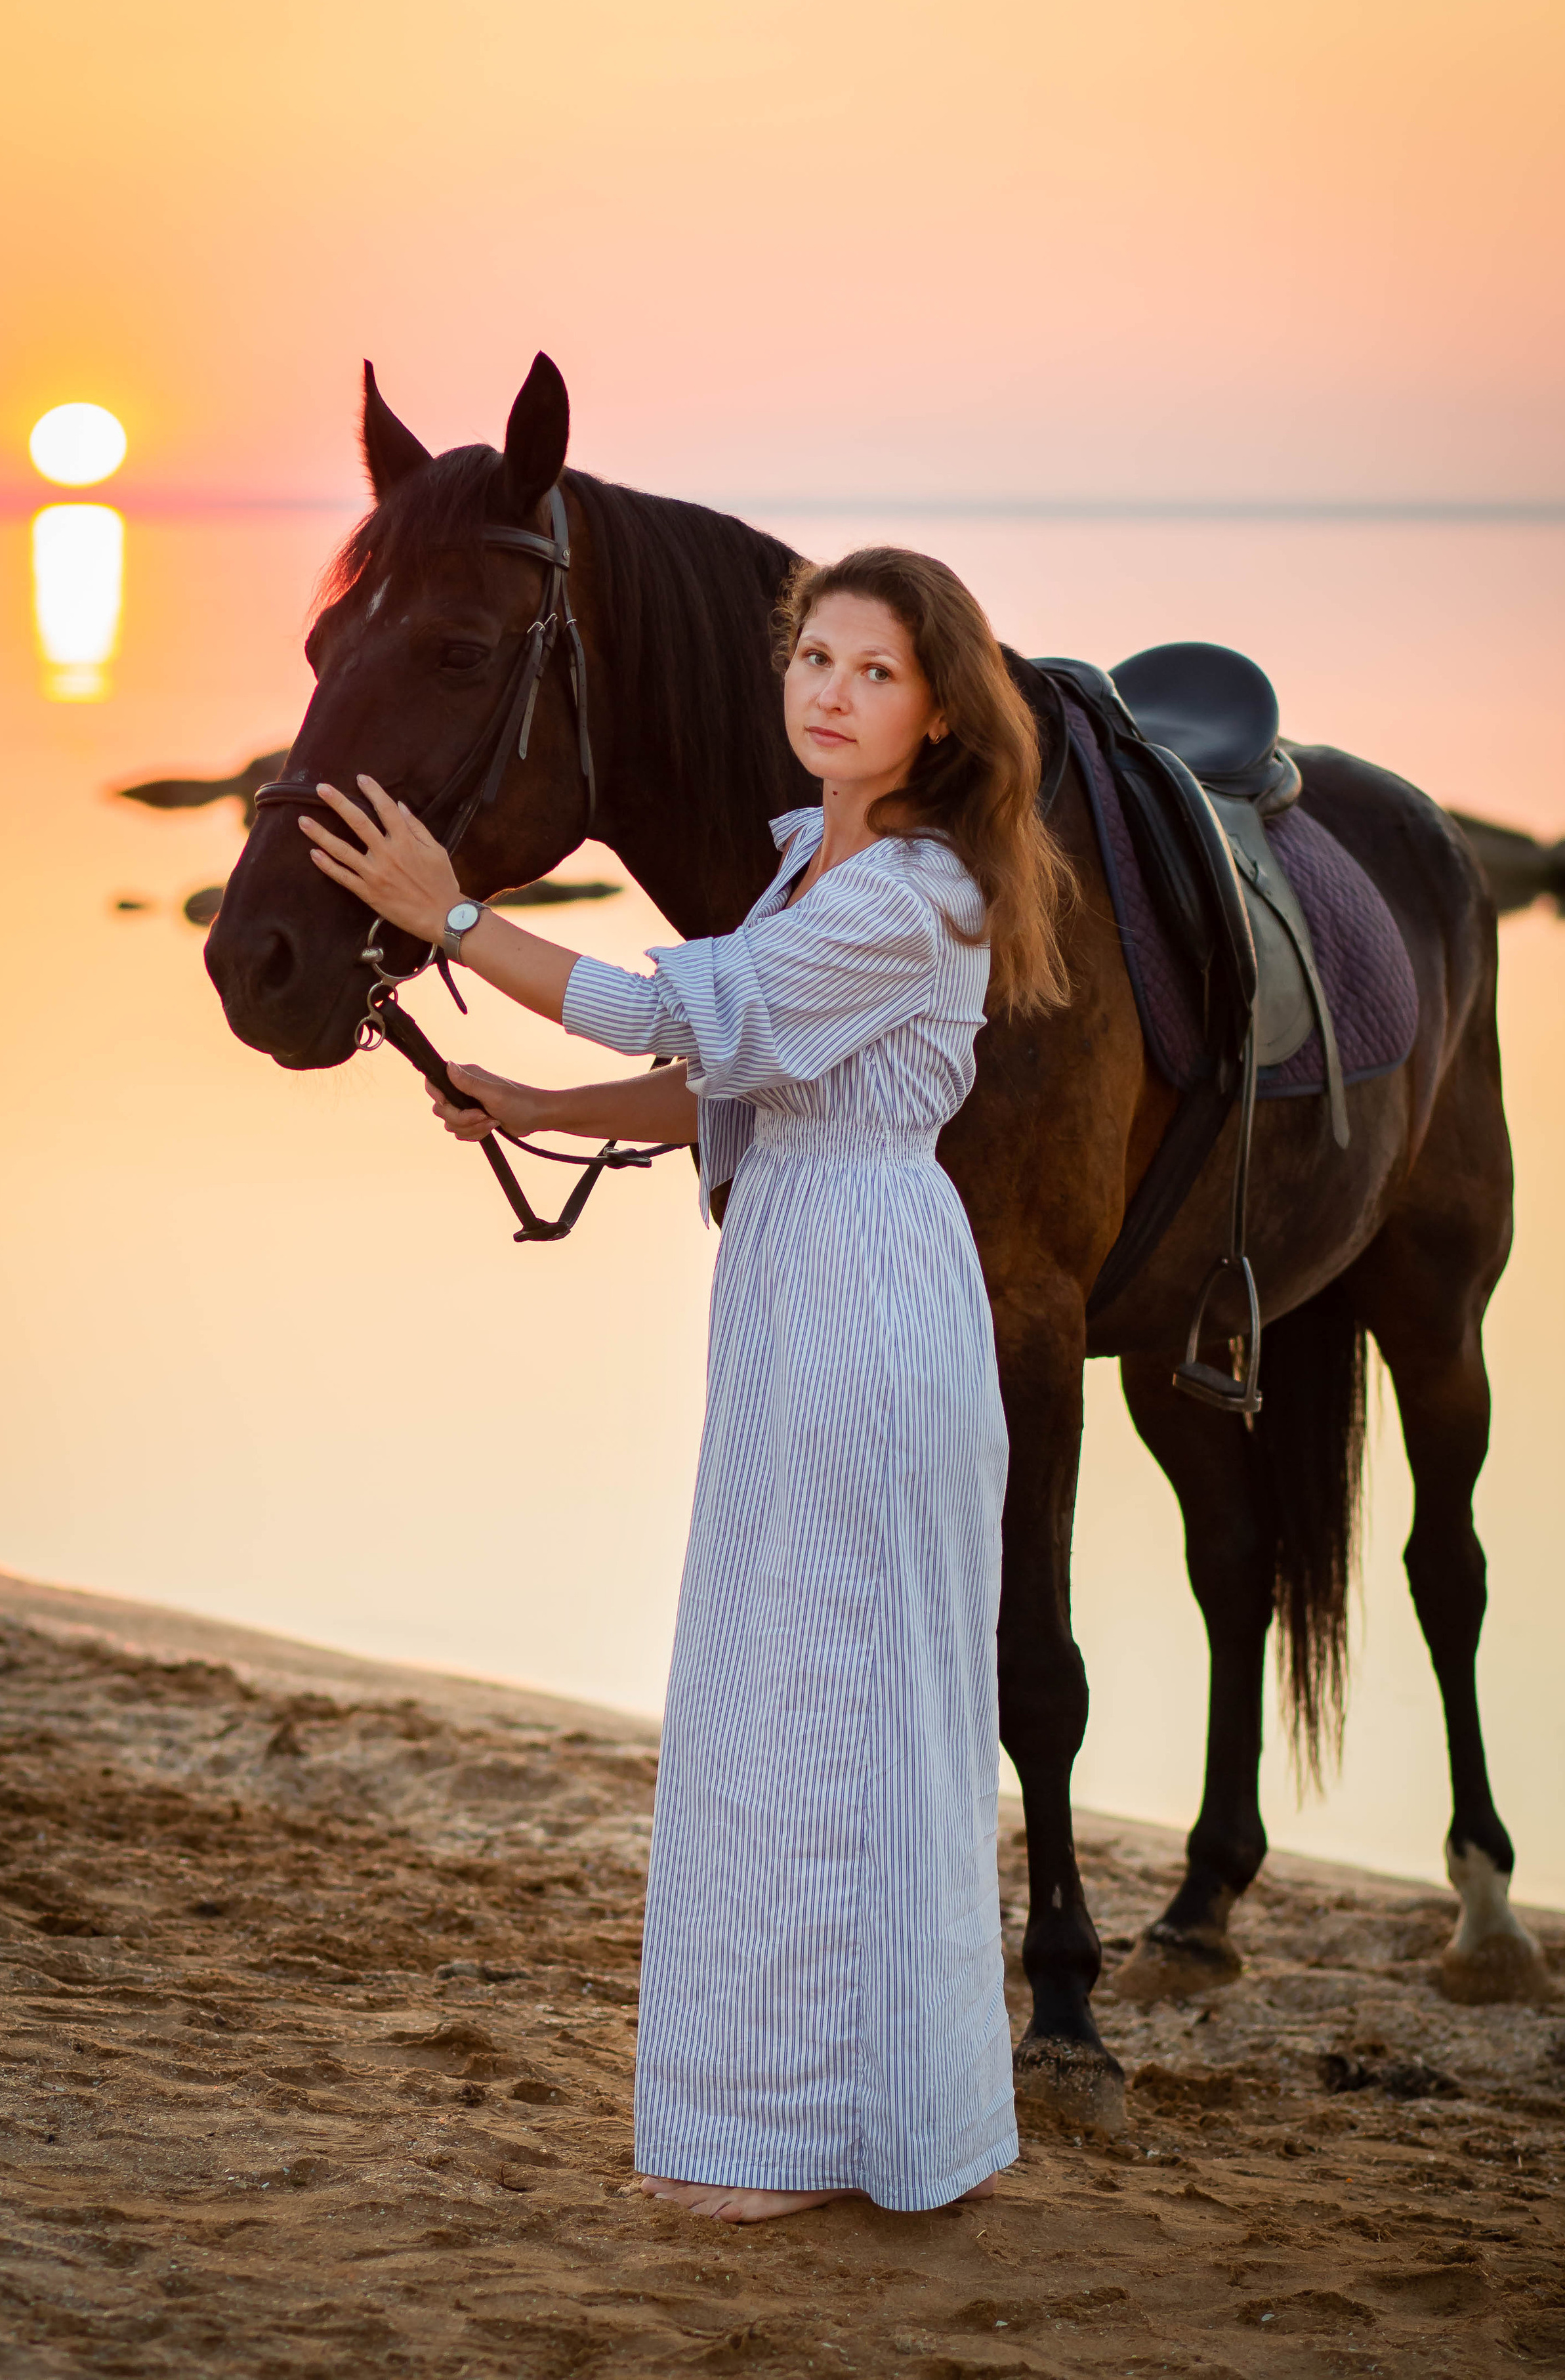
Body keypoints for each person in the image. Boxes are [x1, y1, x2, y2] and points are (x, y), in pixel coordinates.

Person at [299, 547, 1074, 2223]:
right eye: (813, 659)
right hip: (798, 1273)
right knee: (781, 1689)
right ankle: (796, 2125)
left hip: (868, 1292)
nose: (829, 692)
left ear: (940, 708)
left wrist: (447, 911)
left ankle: (818, 2136)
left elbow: (674, 1013)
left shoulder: (913, 893)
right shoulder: (810, 867)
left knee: (832, 1696)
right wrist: (535, 1104)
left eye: (874, 672)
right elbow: (736, 1079)